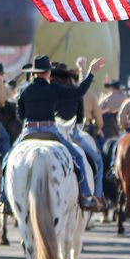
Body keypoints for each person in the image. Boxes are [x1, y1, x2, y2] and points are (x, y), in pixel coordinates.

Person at [4, 55, 105, 211]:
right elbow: (80, 91)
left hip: (29, 130)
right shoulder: (53, 88)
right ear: (47, 72)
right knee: (78, 157)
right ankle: (85, 195)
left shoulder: (23, 90)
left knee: (7, 160)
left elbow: (20, 116)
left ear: (34, 73)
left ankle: (4, 198)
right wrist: (91, 72)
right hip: (50, 129)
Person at [50, 63, 105, 208]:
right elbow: (80, 120)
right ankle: (96, 195)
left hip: (46, 130)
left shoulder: (45, 89)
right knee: (98, 161)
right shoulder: (76, 92)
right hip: (71, 132)